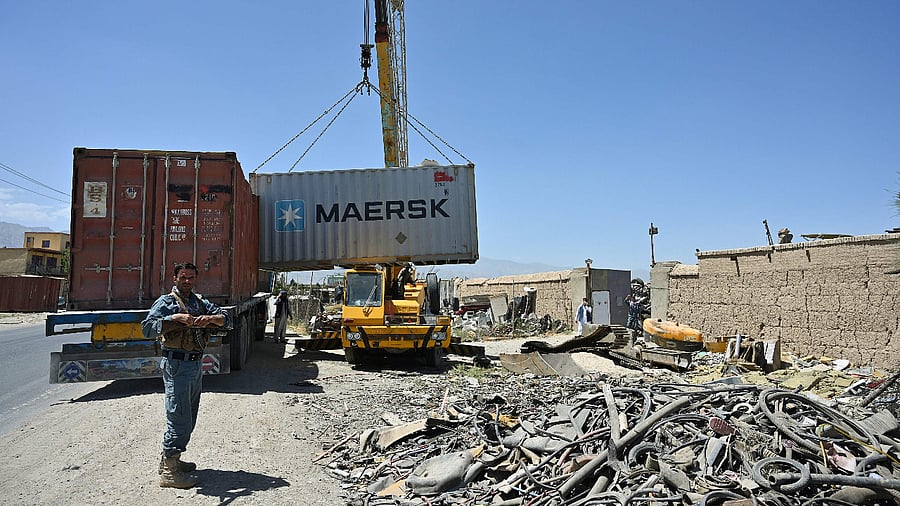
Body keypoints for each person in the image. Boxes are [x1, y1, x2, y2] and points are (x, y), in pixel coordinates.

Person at [141, 262, 232, 489]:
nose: (187, 281)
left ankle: (171, 460)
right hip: (176, 366)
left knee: (188, 417)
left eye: (191, 277)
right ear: (174, 279)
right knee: (179, 418)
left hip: (194, 366)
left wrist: (209, 319)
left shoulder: (199, 302)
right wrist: (174, 319)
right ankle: (170, 473)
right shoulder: (167, 302)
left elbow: (227, 320)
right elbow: (147, 328)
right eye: (183, 277)